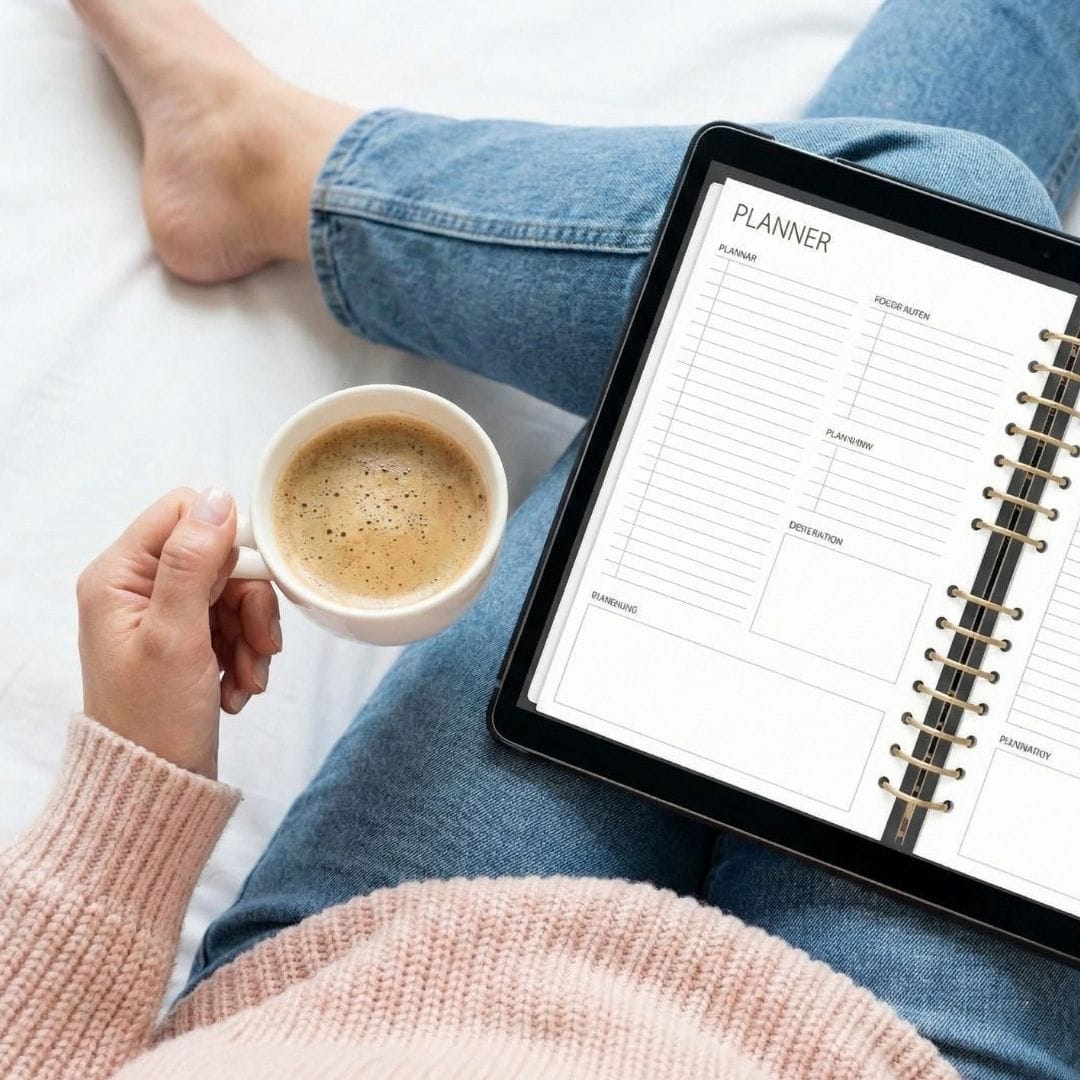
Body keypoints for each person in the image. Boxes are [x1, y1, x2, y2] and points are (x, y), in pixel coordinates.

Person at [2, 0, 1078, 1076]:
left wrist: (133, 784)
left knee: (916, 238)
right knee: (935, 230)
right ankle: (300, 175)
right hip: (905, 1050)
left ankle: (285, 173)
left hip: (392, 979)